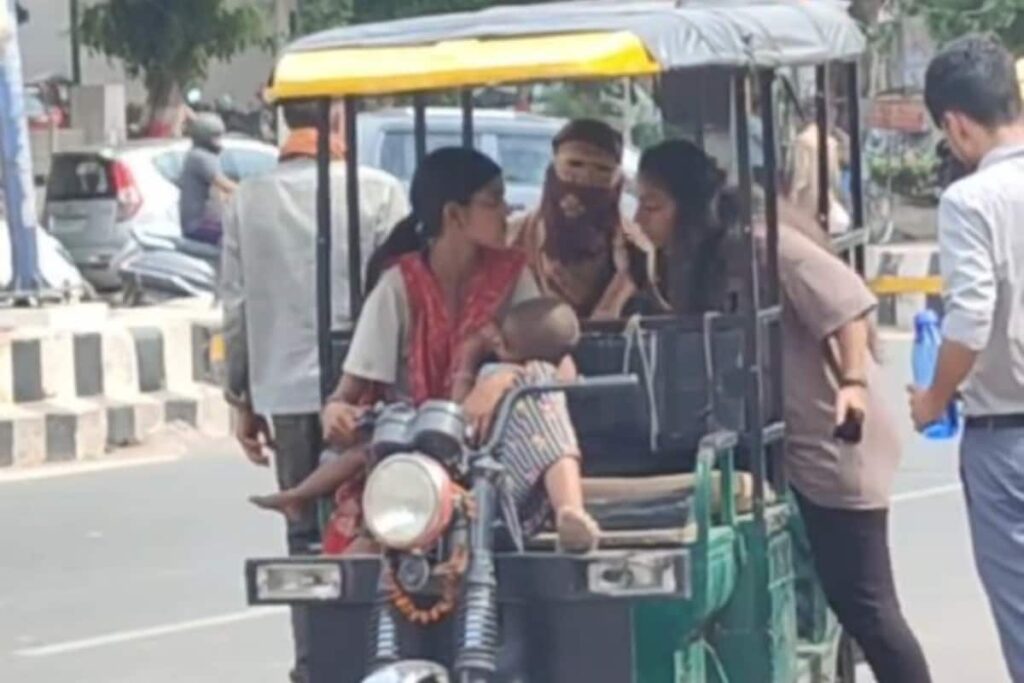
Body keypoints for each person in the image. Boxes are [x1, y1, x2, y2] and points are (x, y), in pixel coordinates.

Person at [635, 139, 931, 683]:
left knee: (866, 605)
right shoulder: (693, 260)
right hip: (774, 449)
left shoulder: (764, 243)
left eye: (652, 205)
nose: (640, 218)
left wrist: (854, 383)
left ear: (688, 204)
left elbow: (850, 304)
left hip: (834, 440)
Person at [256, 147, 597, 558]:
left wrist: (509, 377)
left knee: (538, 379)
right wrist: (336, 413)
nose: (507, 212)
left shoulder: (511, 274)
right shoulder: (398, 287)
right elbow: (345, 397)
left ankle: (569, 512)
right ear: (455, 215)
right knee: (360, 560)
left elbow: (552, 352)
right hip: (410, 455)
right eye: (493, 202)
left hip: (491, 457)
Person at [220, 100, 408, 683]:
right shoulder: (380, 191)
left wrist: (240, 397)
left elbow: (237, 306)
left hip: (286, 389)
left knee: (303, 537)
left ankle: (316, 664)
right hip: (372, 391)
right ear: (336, 120)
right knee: (392, 524)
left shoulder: (247, 200)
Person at [251, 296, 599, 553]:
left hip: (508, 492)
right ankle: (301, 497)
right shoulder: (491, 375)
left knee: (544, 404)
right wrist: (470, 366)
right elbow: (460, 411)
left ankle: (570, 510)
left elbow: (558, 374)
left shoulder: (540, 379)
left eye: (501, 342)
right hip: (465, 480)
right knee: (378, 448)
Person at [909, 36, 1024, 681]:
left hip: (1007, 440)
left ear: (956, 124)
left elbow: (972, 318)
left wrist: (932, 399)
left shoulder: (971, 201)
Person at [509, 118, 662, 319]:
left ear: (617, 179)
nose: (586, 177)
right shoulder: (512, 240)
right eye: (575, 164)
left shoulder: (638, 249)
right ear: (554, 167)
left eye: (602, 169)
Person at [179, 113, 236, 245]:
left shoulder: (198, 155)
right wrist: (251, 192)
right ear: (204, 137)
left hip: (202, 222)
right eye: (215, 137)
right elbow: (224, 184)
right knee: (239, 235)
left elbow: (220, 193)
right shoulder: (201, 157)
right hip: (198, 225)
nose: (219, 142)